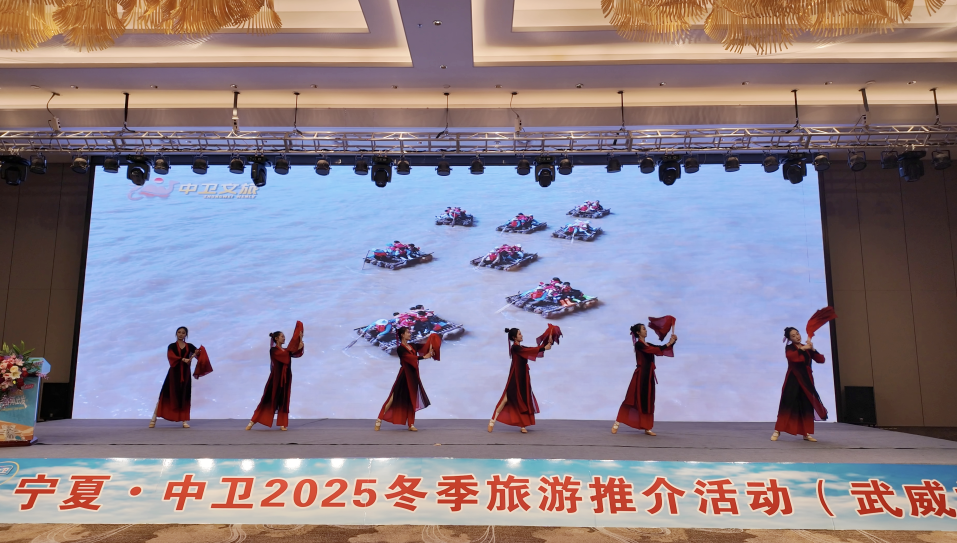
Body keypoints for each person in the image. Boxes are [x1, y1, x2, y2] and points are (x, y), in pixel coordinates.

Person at [612, 323, 677, 436]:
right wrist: (669, 343)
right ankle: (617, 423)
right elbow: (652, 350)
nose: (646, 330)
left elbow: (658, 349)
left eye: (645, 329)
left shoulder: (648, 344)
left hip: (648, 375)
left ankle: (647, 427)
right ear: (638, 332)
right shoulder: (639, 345)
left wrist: (672, 342)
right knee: (631, 398)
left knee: (648, 401)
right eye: (643, 329)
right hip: (640, 375)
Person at [489, 328, 553, 433]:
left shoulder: (521, 347)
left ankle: (522, 425)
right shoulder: (515, 348)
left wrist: (547, 343)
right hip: (515, 377)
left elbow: (531, 349)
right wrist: (543, 348)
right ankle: (492, 420)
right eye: (519, 334)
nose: (522, 335)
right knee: (506, 399)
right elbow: (529, 351)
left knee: (523, 399)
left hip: (523, 377)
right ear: (514, 337)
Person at [772, 327, 828, 442]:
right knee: (787, 404)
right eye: (793, 336)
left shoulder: (807, 348)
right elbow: (792, 358)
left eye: (797, 334)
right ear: (790, 339)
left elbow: (821, 360)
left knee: (806, 405)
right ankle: (777, 430)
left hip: (806, 380)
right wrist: (803, 348)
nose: (797, 337)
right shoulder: (790, 348)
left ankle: (806, 433)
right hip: (793, 379)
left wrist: (813, 349)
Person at [375, 327, 435, 431]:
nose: (410, 333)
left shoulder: (413, 345)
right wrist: (423, 357)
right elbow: (409, 358)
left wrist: (432, 341)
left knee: (412, 399)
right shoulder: (400, 349)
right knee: (392, 398)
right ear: (402, 335)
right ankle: (379, 419)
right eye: (408, 332)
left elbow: (424, 347)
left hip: (413, 375)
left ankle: (411, 424)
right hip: (404, 375)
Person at [247, 324, 304, 431]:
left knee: (284, 399)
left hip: (286, 379)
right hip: (275, 379)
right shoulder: (273, 350)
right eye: (282, 336)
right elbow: (286, 356)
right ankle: (252, 421)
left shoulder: (285, 350)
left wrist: (300, 339)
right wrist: (297, 344)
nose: (284, 338)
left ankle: (282, 423)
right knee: (268, 399)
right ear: (276, 338)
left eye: (284, 336)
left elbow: (295, 352)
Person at [150, 326, 199, 428]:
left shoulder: (189, 346)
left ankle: (184, 420)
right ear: (176, 333)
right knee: (165, 395)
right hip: (173, 374)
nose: (181, 334)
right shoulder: (171, 346)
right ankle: (153, 419)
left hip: (185, 374)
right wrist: (183, 359)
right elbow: (171, 356)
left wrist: (198, 352)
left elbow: (198, 353)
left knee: (184, 395)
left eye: (183, 333)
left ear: (186, 335)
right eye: (179, 332)